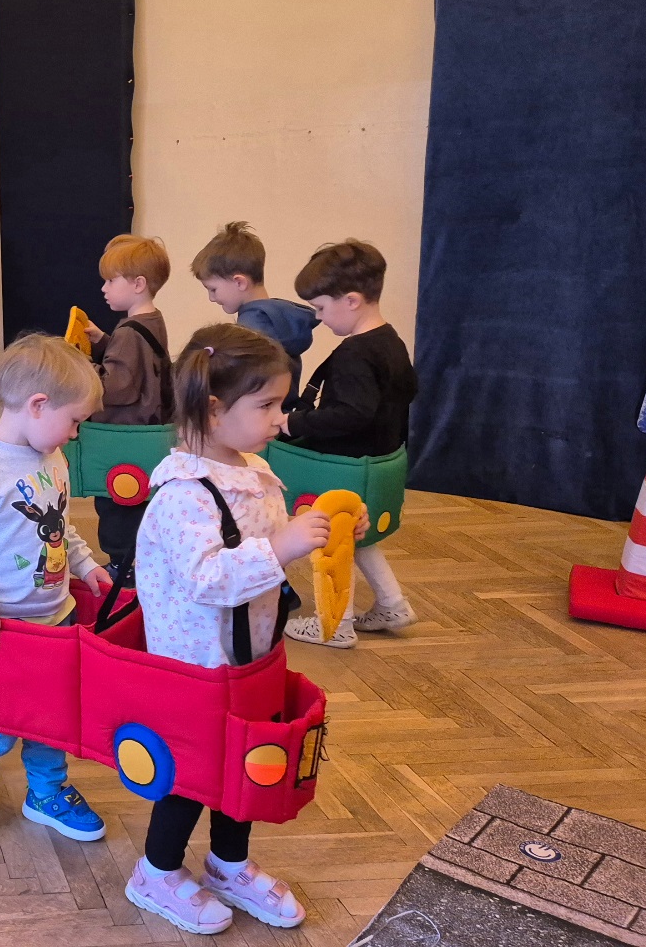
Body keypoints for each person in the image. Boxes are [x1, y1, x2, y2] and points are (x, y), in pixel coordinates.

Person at [126, 323, 367, 935]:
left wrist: (323, 530)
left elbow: (270, 540)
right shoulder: (183, 494)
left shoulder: (253, 469)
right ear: (214, 410)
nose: (282, 419)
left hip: (252, 653)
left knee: (243, 762)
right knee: (189, 773)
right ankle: (155, 871)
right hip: (196, 666)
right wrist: (283, 546)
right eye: (267, 405)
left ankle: (227, 863)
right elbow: (207, 577)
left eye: (282, 404)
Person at [0, 334, 111, 844]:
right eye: (74, 420)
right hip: (3, 626)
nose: (75, 433)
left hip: (57, 616)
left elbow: (62, 525)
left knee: (53, 716)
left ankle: (46, 792)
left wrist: (85, 564)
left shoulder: (52, 455)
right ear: (37, 405)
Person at [281, 240, 419, 648]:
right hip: (380, 462)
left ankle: (335, 625)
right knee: (359, 539)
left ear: (352, 301)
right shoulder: (391, 341)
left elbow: (349, 415)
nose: (319, 318)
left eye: (321, 308)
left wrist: (293, 422)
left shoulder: (355, 355)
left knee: (335, 540)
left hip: (348, 467)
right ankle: (393, 604)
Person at [83, 234, 172, 587]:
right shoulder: (150, 320)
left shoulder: (129, 332)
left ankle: (123, 565)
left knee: (115, 503)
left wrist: (83, 369)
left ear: (138, 284)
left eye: (110, 280)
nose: (103, 288)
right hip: (146, 428)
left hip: (122, 434)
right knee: (137, 502)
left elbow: (117, 386)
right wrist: (103, 341)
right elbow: (137, 366)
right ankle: (137, 559)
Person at [191, 222, 318, 410]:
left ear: (239, 282)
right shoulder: (278, 318)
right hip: (282, 411)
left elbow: (246, 383)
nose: (211, 298)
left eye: (213, 289)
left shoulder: (252, 325)